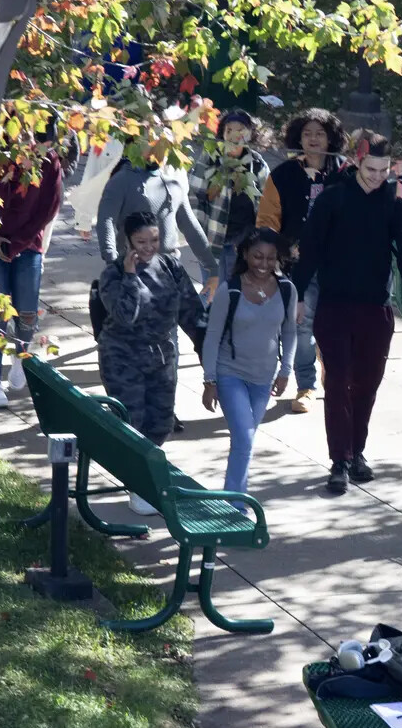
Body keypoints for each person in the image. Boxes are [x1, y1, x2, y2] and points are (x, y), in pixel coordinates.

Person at [290, 131, 402, 495]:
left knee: (367, 383)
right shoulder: (334, 198)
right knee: (337, 381)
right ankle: (339, 460)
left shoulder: (392, 201)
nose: (378, 176)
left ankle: (357, 451)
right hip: (334, 306)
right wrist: (298, 294)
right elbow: (311, 248)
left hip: (375, 307)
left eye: (383, 169)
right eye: (371, 168)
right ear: (356, 162)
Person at [98, 211, 206, 515]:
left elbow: (191, 310)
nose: (148, 247)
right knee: (134, 422)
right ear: (128, 241)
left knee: (160, 423)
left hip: (161, 355)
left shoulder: (170, 266)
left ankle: (145, 481)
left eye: (154, 240)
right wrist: (131, 276)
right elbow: (124, 316)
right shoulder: (114, 274)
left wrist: (205, 345)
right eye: (141, 241)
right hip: (123, 357)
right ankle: (139, 487)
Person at [257, 108, 349, 414]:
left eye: (320, 133)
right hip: (299, 267)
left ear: (331, 138)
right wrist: (285, 248)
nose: (313, 139)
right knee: (302, 326)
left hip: (338, 265)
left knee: (337, 325)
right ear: (298, 137)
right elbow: (267, 223)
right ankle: (306, 385)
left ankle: (335, 377)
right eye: (307, 133)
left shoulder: (346, 173)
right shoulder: (282, 176)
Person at [201, 228, 297, 510]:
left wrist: (286, 370)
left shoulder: (286, 289)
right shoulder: (229, 290)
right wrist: (210, 380)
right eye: (257, 257)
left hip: (264, 378)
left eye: (270, 258)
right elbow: (212, 337)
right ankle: (235, 508)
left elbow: (290, 332)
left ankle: (233, 499)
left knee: (245, 443)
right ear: (244, 255)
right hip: (230, 374)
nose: (264, 264)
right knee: (244, 439)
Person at [0, 136, 63, 409]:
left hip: (28, 242)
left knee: (27, 311)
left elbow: (49, 207)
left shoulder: (46, 159)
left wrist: (18, 244)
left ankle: (20, 356)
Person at [96, 157, 219, 299]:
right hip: (134, 274)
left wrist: (212, 268)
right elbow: (106, 220)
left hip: (169, 276)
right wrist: (112, 262)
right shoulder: (121, 181)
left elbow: (191, 228)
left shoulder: (173, 185)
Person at [190, 109, 271, 285]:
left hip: (243, 244)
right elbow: (194, 196)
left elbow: (267, 206)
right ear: (222, 134)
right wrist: (201, 233)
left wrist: (258, 238)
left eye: (241, 130)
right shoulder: (210, 159)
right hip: (212, 241)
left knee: (239, 294)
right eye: (229, 130)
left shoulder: (257, 165)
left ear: (251, 134)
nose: (234, 135)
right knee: (213, 296)